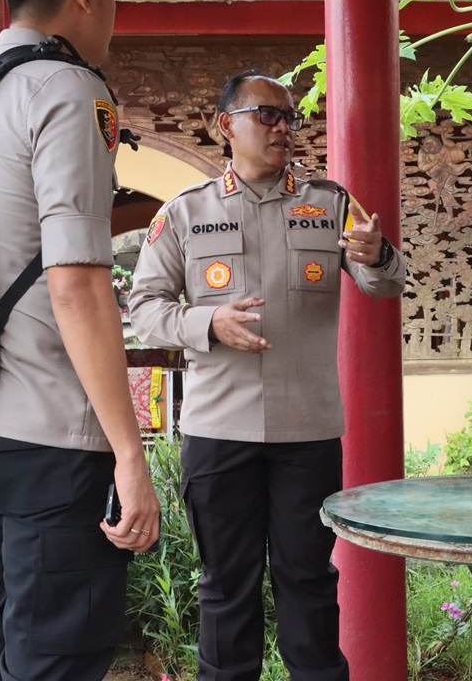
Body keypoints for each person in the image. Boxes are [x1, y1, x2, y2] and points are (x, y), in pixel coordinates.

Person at [0, 0, 160, 681]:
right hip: (49, 437)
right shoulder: (68, 90)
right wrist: (130, 452)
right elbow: (78, 282)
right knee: (55, 657)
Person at [129, 70, 406, 681]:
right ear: (227, 126)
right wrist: (208, 322)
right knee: (225, 586)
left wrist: (377, 254)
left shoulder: (329, 202)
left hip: (305, 433)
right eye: (268, 116)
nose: (284, 128)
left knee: (308, 580)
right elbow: (145, 310)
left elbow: (385, 283)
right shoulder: (185, 213)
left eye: (290, 118)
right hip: (218, 432)